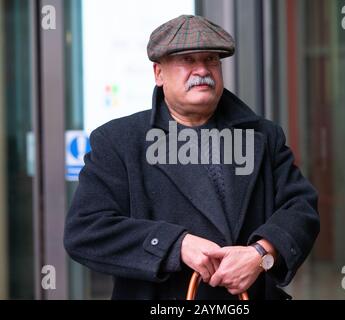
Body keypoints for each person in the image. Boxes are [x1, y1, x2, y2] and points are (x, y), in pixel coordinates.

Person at [64, 14, 320, 300]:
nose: (202, 70)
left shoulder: (264, 135)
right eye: (187, 60)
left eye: (211, 60)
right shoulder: (117, 141)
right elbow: (86, 230)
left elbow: (301, 208)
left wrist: (260, 254)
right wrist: (176, 245)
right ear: (158, 74)